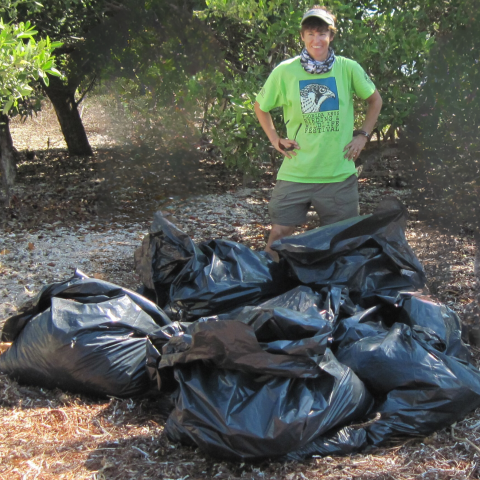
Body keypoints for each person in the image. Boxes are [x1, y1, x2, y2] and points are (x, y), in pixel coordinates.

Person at [254, 5, 382, 261]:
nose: (317, 39)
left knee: (341, 244)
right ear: (302, 36)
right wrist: (275, 139)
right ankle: (267, 286)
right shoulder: (285, 71)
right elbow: (261, 106)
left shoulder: (348, 68)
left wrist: (363, 135)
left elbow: (375, 101)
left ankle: (334, 296)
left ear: (331, 36)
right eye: (311, 33)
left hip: (338, 174)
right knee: (279, 235)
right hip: (296, 172)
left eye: (322, 33)